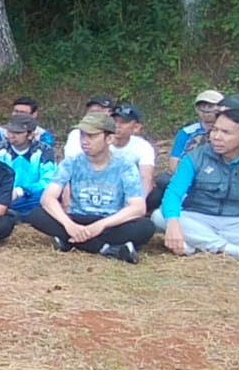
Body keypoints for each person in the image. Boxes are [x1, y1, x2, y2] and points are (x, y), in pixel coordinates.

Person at [27, 112, 153, 264]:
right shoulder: (71, 162)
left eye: (91, 136)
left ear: (109, 138)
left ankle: (70, 242)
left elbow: (138, 207)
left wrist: (100, 225)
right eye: (82, 135)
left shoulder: (125, 166)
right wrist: (69, 225)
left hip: (109, 222)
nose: (84, 141)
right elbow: (48, 198)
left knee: (146, 227)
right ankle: (107, 248)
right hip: (77, 218)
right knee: (37, 214)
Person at [153, 108, 239, 262]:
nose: (216, 137)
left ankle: (198, 243)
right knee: (159, 216)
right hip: (201, 218)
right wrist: (173, 224)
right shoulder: (195, 157)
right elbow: (174, 193)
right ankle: (234, 250)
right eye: (214, 130)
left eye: (225, 132)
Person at [149, 89, 226, 211]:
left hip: (217, 178)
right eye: (202, 107)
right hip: (188, 176)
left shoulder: (228, 132)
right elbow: (173, 163)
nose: (206, 111)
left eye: (211, 106)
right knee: (162, 182)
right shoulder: (187, 132)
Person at [0, 113, 55, 216]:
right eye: (9, 131)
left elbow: (48, 180)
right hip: (3, 195)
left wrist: (21, 191)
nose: (11, 135)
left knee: (47, 196)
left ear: (30, 135)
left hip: (30, 195)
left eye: (17, 132)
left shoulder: (44, 151)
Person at [109, 103, 156, 198]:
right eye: (114, 121)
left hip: (132, 190)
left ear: (136, 127)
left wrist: (139, 202)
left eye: (123, 122)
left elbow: (146, 178)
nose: (117, 125)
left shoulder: (143, 146)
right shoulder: (100, 142)